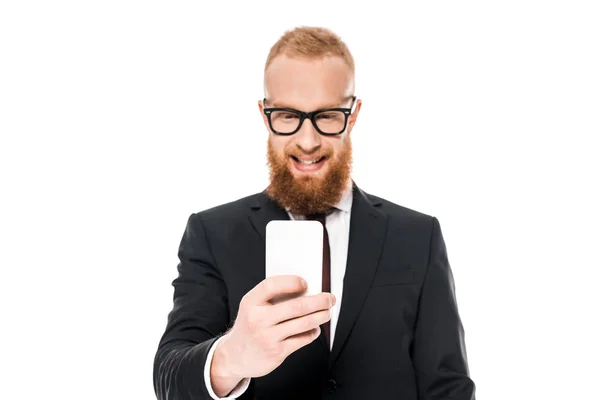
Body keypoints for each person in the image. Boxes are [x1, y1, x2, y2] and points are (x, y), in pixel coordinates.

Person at [153, 26, 475, 400]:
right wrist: (231, 357)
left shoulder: (418, 236)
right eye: (288, 116)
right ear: (264, 114)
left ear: (352, 115)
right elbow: (169, 377)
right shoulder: (211, 233)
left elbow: (448, 388)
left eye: (327, 115)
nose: (308, 142)